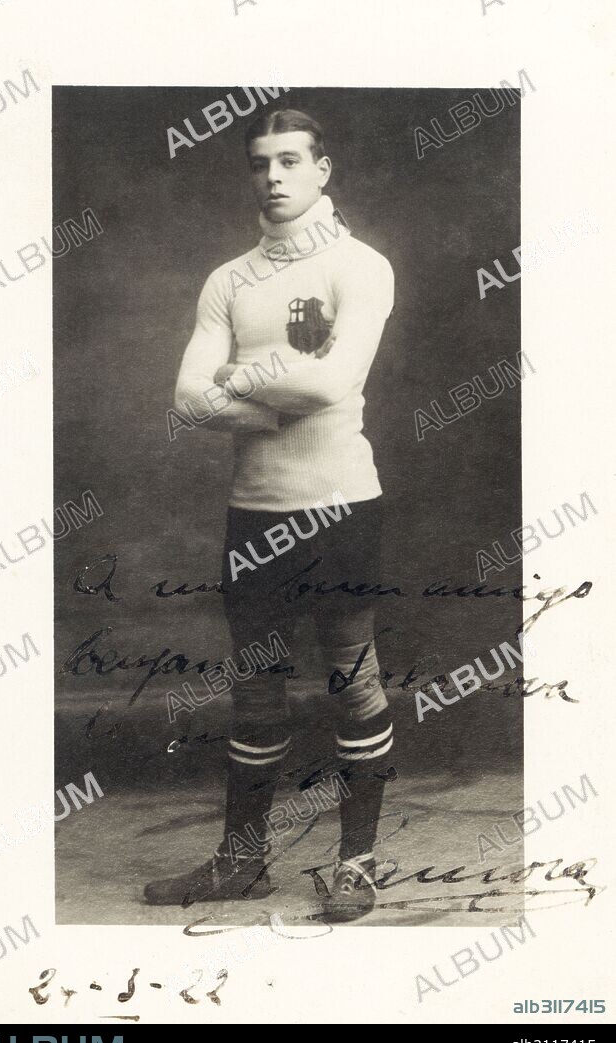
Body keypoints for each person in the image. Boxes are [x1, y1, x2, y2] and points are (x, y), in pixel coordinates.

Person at [144, 108, 395, 922]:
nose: (275, 177)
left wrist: (240, 380)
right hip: (254, 514)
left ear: (324, 169)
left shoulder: (362, 267)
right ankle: (241, 863)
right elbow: (185, 400)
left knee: (352, 682)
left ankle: (355, 863)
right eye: (261, 163)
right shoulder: (227, 279)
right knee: (254, 692)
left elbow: (334, 384)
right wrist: (272, 395)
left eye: (291, 160)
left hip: (341, 506)